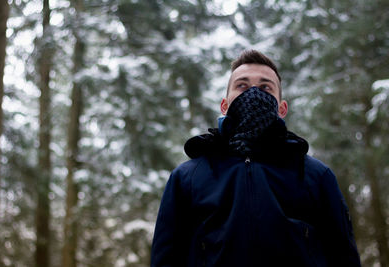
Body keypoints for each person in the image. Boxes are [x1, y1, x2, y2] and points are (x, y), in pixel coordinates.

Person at [151, 50, 361, 267]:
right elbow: (165, 258)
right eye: (242, 86)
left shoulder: (316, 176)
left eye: (265, 87)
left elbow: (343, 256)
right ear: (225, 105)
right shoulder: (187, 178)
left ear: (281, 109)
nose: (253, 93)